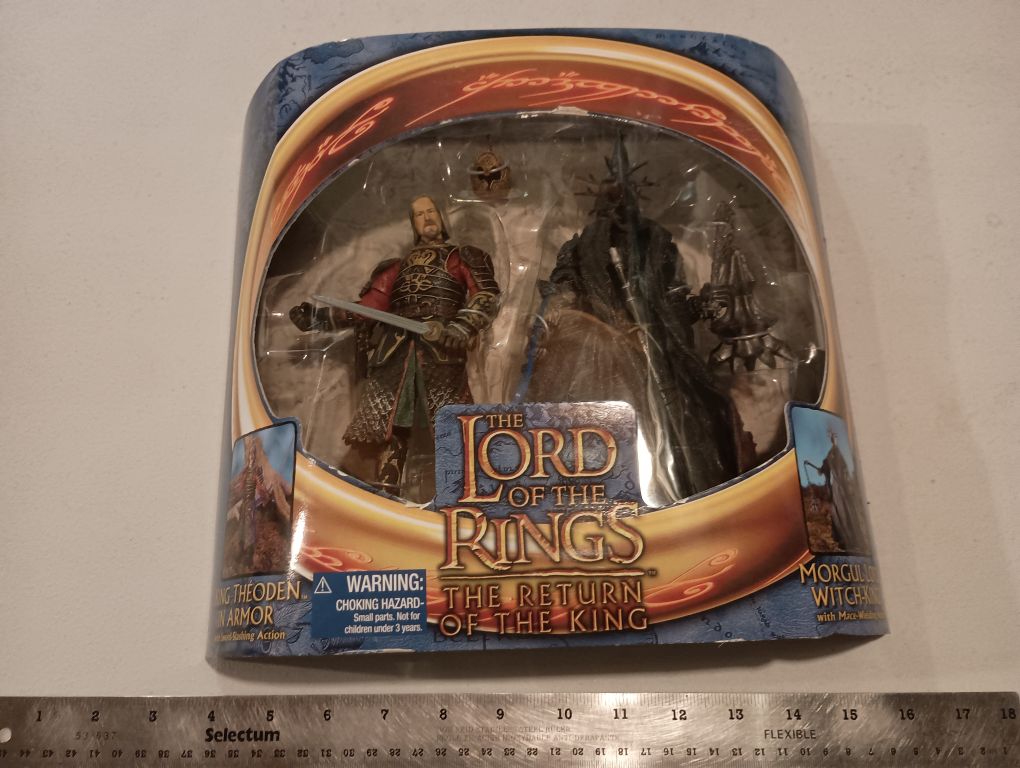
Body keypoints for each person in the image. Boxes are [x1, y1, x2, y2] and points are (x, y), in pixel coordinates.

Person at [290, 195, 500, 494]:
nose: (427, 218)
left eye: (431, 211)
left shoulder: (462, 257)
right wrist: (320, 318)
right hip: (395, 351)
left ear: (442, 217)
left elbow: (485, 294)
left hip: (441, 348)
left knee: (453, 421)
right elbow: (369, 308)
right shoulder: (395, 268)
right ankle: (385, 488)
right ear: (413, 223)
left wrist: (462, 325)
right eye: (419, 214)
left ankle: (464, 487)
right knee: (387, 422)